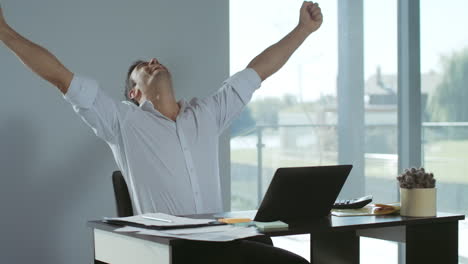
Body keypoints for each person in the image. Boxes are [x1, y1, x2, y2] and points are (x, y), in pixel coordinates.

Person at [0, 1, 322, 263]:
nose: (153, 61)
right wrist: (3, 31)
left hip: (224, 238)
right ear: (134, 93)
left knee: (281, 253)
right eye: (142, 66)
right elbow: (59, 76)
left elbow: (258, 71)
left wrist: (303, 29)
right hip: (174, 249)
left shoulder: (207, 113)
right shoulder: (121, 122)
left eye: (153, 60)